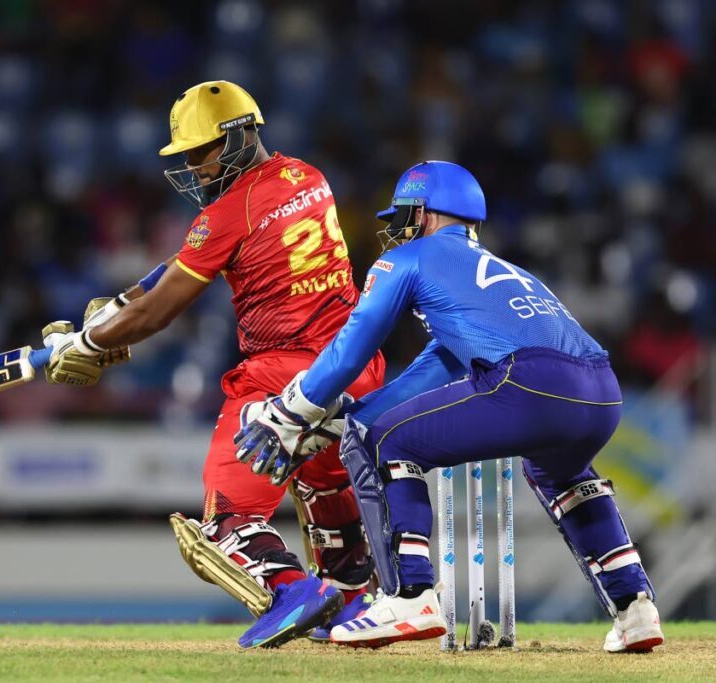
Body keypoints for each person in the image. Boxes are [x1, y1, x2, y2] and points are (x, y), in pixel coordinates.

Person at [235, 160, 665, 653]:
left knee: (384, 441)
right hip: (601, 390)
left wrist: (293, 412)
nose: (396, 230)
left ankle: (410, 593)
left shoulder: (409, 260)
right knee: (560, 475)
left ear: (424, 214)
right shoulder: (506, 273)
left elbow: (349, 349)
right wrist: (357, 413)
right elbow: (436, 367)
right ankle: (635, 608)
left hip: (530, 381)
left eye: (402, 217)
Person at [42, 81, 386, 648]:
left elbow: (160, 310)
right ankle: (352, 599)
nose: (195, 168)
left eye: (201, 152)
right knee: (326, 493)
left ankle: (291, 591)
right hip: (354, 368)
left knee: (225, 521)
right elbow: (179, 269)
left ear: (238, 137)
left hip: (282, 375)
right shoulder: (307, 176)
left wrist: (89, 343)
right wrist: (113, 315)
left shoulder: (229, 211)